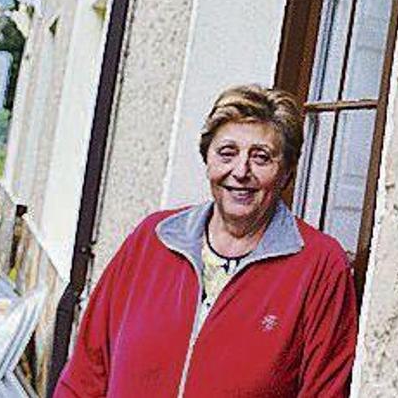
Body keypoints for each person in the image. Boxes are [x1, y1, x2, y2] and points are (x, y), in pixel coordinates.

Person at [55, 84, 357, 397]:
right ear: (208, 159)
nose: (241, 171)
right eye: (227, 153)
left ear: (286, 173)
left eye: (262, 157)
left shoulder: (319, 264)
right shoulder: (153, 239)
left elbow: (326, 391)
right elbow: (86, 372)